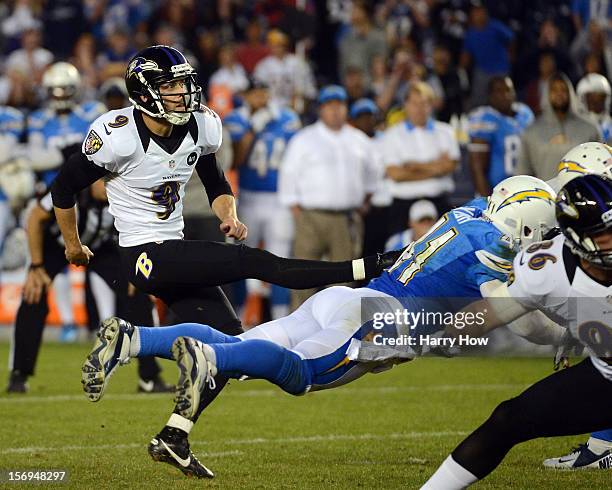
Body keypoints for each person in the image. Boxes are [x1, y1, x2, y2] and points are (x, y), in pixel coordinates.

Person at [51, 44, 397, 474]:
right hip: (142, 253)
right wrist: (72, 244)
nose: (182, 93)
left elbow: (214, 180)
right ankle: (365, 268)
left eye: (182, 83)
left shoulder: (200, 126)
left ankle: (175, 434)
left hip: (170, 246)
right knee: (255, 263)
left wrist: (228, 213)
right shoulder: (117, 133)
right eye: (171, 86)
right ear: (144, 93)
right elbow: (63, 188)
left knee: (230, 345)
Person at [88, 175, 559, 478]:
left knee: (245, 342)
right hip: (379, 319)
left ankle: (134, 339)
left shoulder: (473, 211)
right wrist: (565, 333)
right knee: (300, 375)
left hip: (346, 299)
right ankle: (212, 359)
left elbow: (525, 198)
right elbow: (522, 322)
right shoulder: (493, 252)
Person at [421, 174, 612, 489]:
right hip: (606, 375)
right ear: (576, 238)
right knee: (508, 418)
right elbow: (491, 312)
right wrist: (434, 340)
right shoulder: (546, 267)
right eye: (604, 234)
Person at [7, 180, 169, 394]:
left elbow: (136, 231)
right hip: (57, 245)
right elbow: (35, 217)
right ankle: (19, 375)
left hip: (100, 247)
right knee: (33, 295)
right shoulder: (72, 185)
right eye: (105, 180)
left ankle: (149, 377)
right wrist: (36, 266)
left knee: (138, 289)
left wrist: (134, 267)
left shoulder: (124, 190)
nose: (109, 185)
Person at [278, 85, 380, 310]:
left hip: (346, 217)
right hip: (311, 216)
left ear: (346, 109)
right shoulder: (304, 139)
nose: (335, 111)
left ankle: (340, 331)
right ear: (321, 110)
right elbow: (288, 176)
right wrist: (297, 211)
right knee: (301, 276)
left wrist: (362, 204)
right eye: (330, 106)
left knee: (344, 279)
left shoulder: (359, 140)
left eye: (340, 105)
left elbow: (375, 174)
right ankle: (297, 330)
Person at [27, 61, 106, 342]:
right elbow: (36, 158)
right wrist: (71, 152)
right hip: (54, 195)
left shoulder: (91, 112)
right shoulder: (39, 119)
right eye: (54, 91)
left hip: (93, 192)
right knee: (56, 261)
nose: (59, 96)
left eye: (64, 90)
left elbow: (99, 148)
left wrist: (61, 153)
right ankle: (68, 323)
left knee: (103, 258)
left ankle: (106, 323)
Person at [225, 78, 300, 319]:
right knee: (240, 261)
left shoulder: (287, 119)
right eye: (255, 93)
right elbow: (235, 161)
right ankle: (238, 321)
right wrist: (253, 128)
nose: (261, 98)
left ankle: (281, 320)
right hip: (248, 198)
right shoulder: (236, 120)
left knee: (280, 261)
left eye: (264, 92)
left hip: (279, 199)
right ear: (246, 95)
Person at [378, 81, 460, 237]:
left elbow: (449, 166)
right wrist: (435, 167)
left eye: (424, 103)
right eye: (415, 103)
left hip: (439, 202)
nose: (419, 109)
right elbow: (396, 174)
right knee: (400, 256)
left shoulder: (445, 131)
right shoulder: (392, 135)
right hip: (403, 207)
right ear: (406, 105)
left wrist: (413, 166)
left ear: (431, 105)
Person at [518, 72, 601, 181]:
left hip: (583, 196)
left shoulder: (590, 128)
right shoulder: (531, 132)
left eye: (563, 89)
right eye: (554, 90)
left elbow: (601, 167)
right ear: (546, 94)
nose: (559, 94)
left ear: (570, 93)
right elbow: (523, 173)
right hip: (546, 195)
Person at [468, 76, 534, 196]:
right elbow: (477, 167)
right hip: (496, 190)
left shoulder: (525, 114)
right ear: (490, 95)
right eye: (499, 91)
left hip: (524, 187)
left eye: (508, 90)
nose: (505, 95)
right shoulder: (484, 118)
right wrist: (487, 200)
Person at [576, 73, 612, 143]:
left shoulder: (610, 124)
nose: (596, 102)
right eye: (591, 98)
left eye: (600, 98)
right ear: (582, 100)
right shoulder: (577, 125)